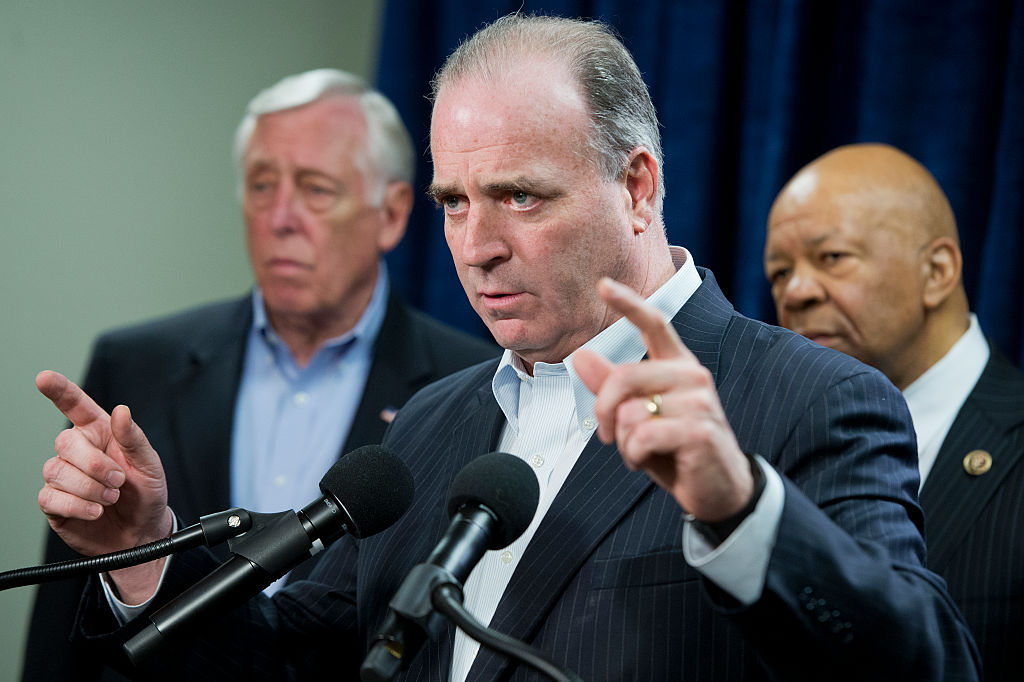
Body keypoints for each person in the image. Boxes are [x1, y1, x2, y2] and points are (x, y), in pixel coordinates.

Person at [33, 16, 981, 681]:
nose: (477, 245)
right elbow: (293, 662)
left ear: (638, 186)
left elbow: (925, 662)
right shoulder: (435, 424)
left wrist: (741, 512)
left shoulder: (809, 397)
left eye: (521, 196)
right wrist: (143, 554)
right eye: (454, 202)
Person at [22, 69, 498, 682]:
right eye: (261, 185)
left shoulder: (472, 384)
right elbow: (60, 632)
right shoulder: (136, 365)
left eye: (316, 189)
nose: (280, 218)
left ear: (393, 213)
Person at [764, 142, 1024, 681]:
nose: (798, 292)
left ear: (937, 271)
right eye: (780, 273)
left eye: (831, 257)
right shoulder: (762, 454)